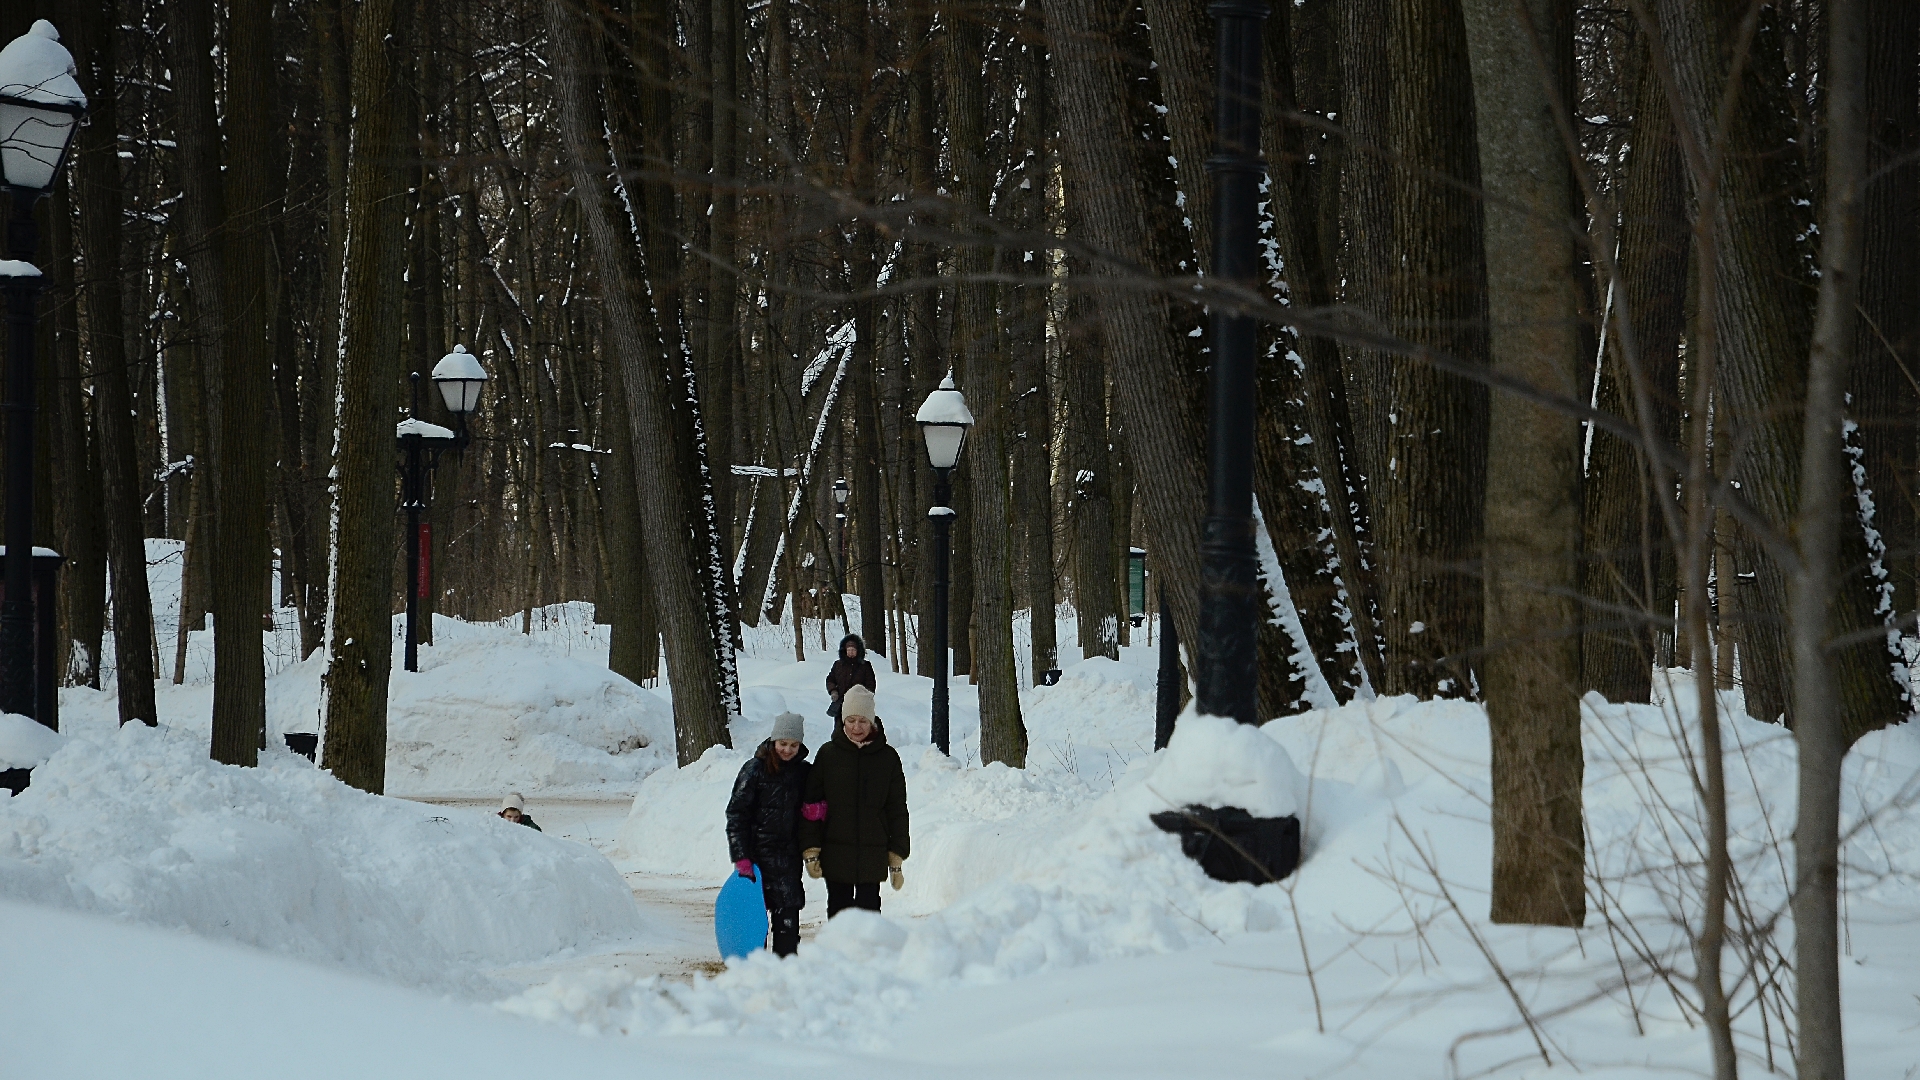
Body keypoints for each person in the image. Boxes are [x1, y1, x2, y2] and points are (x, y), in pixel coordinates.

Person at [800, 685, 909, 917]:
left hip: (873, 852)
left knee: (869, 918)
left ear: (872, 721)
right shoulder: (828, 755)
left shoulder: (888, 758)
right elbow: (812, 807)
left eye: (862, 721)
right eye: (850, 720)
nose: (856, 727)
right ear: (842, 720)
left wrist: (897, 854)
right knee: (839, 916)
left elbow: (897, 809)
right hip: (835, 851)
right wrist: (811, 849)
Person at [724, 712, 813, 956]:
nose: (787, 750)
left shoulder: (804, 773)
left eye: (793, 745)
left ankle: (785, 970)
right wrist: (741, 856)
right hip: (757, 860)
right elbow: (736, 814)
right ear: (774, 741)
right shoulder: (754, 770)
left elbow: (814, 804)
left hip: (788, 861)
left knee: (788, 926)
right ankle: (754, 971)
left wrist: (815, 811)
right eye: (783, 743)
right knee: (754, 925)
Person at [824, 634, 877, 720]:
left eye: (853, 650)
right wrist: (833, 691)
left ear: (858, 650)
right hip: (840, 703)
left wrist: (863, 697)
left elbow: (871, 684)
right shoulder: (838, 665)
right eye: (848, 650)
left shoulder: (865, 666)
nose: (851, 652)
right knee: (839, 726)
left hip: (858, 704)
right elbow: (830, 680)